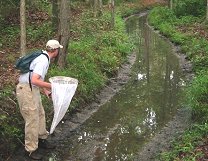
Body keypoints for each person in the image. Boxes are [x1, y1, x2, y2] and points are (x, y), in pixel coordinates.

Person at [16, 40, 63, 160]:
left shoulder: (43, 56)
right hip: (26, 90)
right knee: (32, 119)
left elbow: (35, 78)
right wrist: (52, 86)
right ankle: (31, 150)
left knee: (40, 114)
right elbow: (34, 80)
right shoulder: (43, 60)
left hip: (33, 89)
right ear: (55, 51)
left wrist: (45, 90)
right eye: (58, 49)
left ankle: (42, 138)